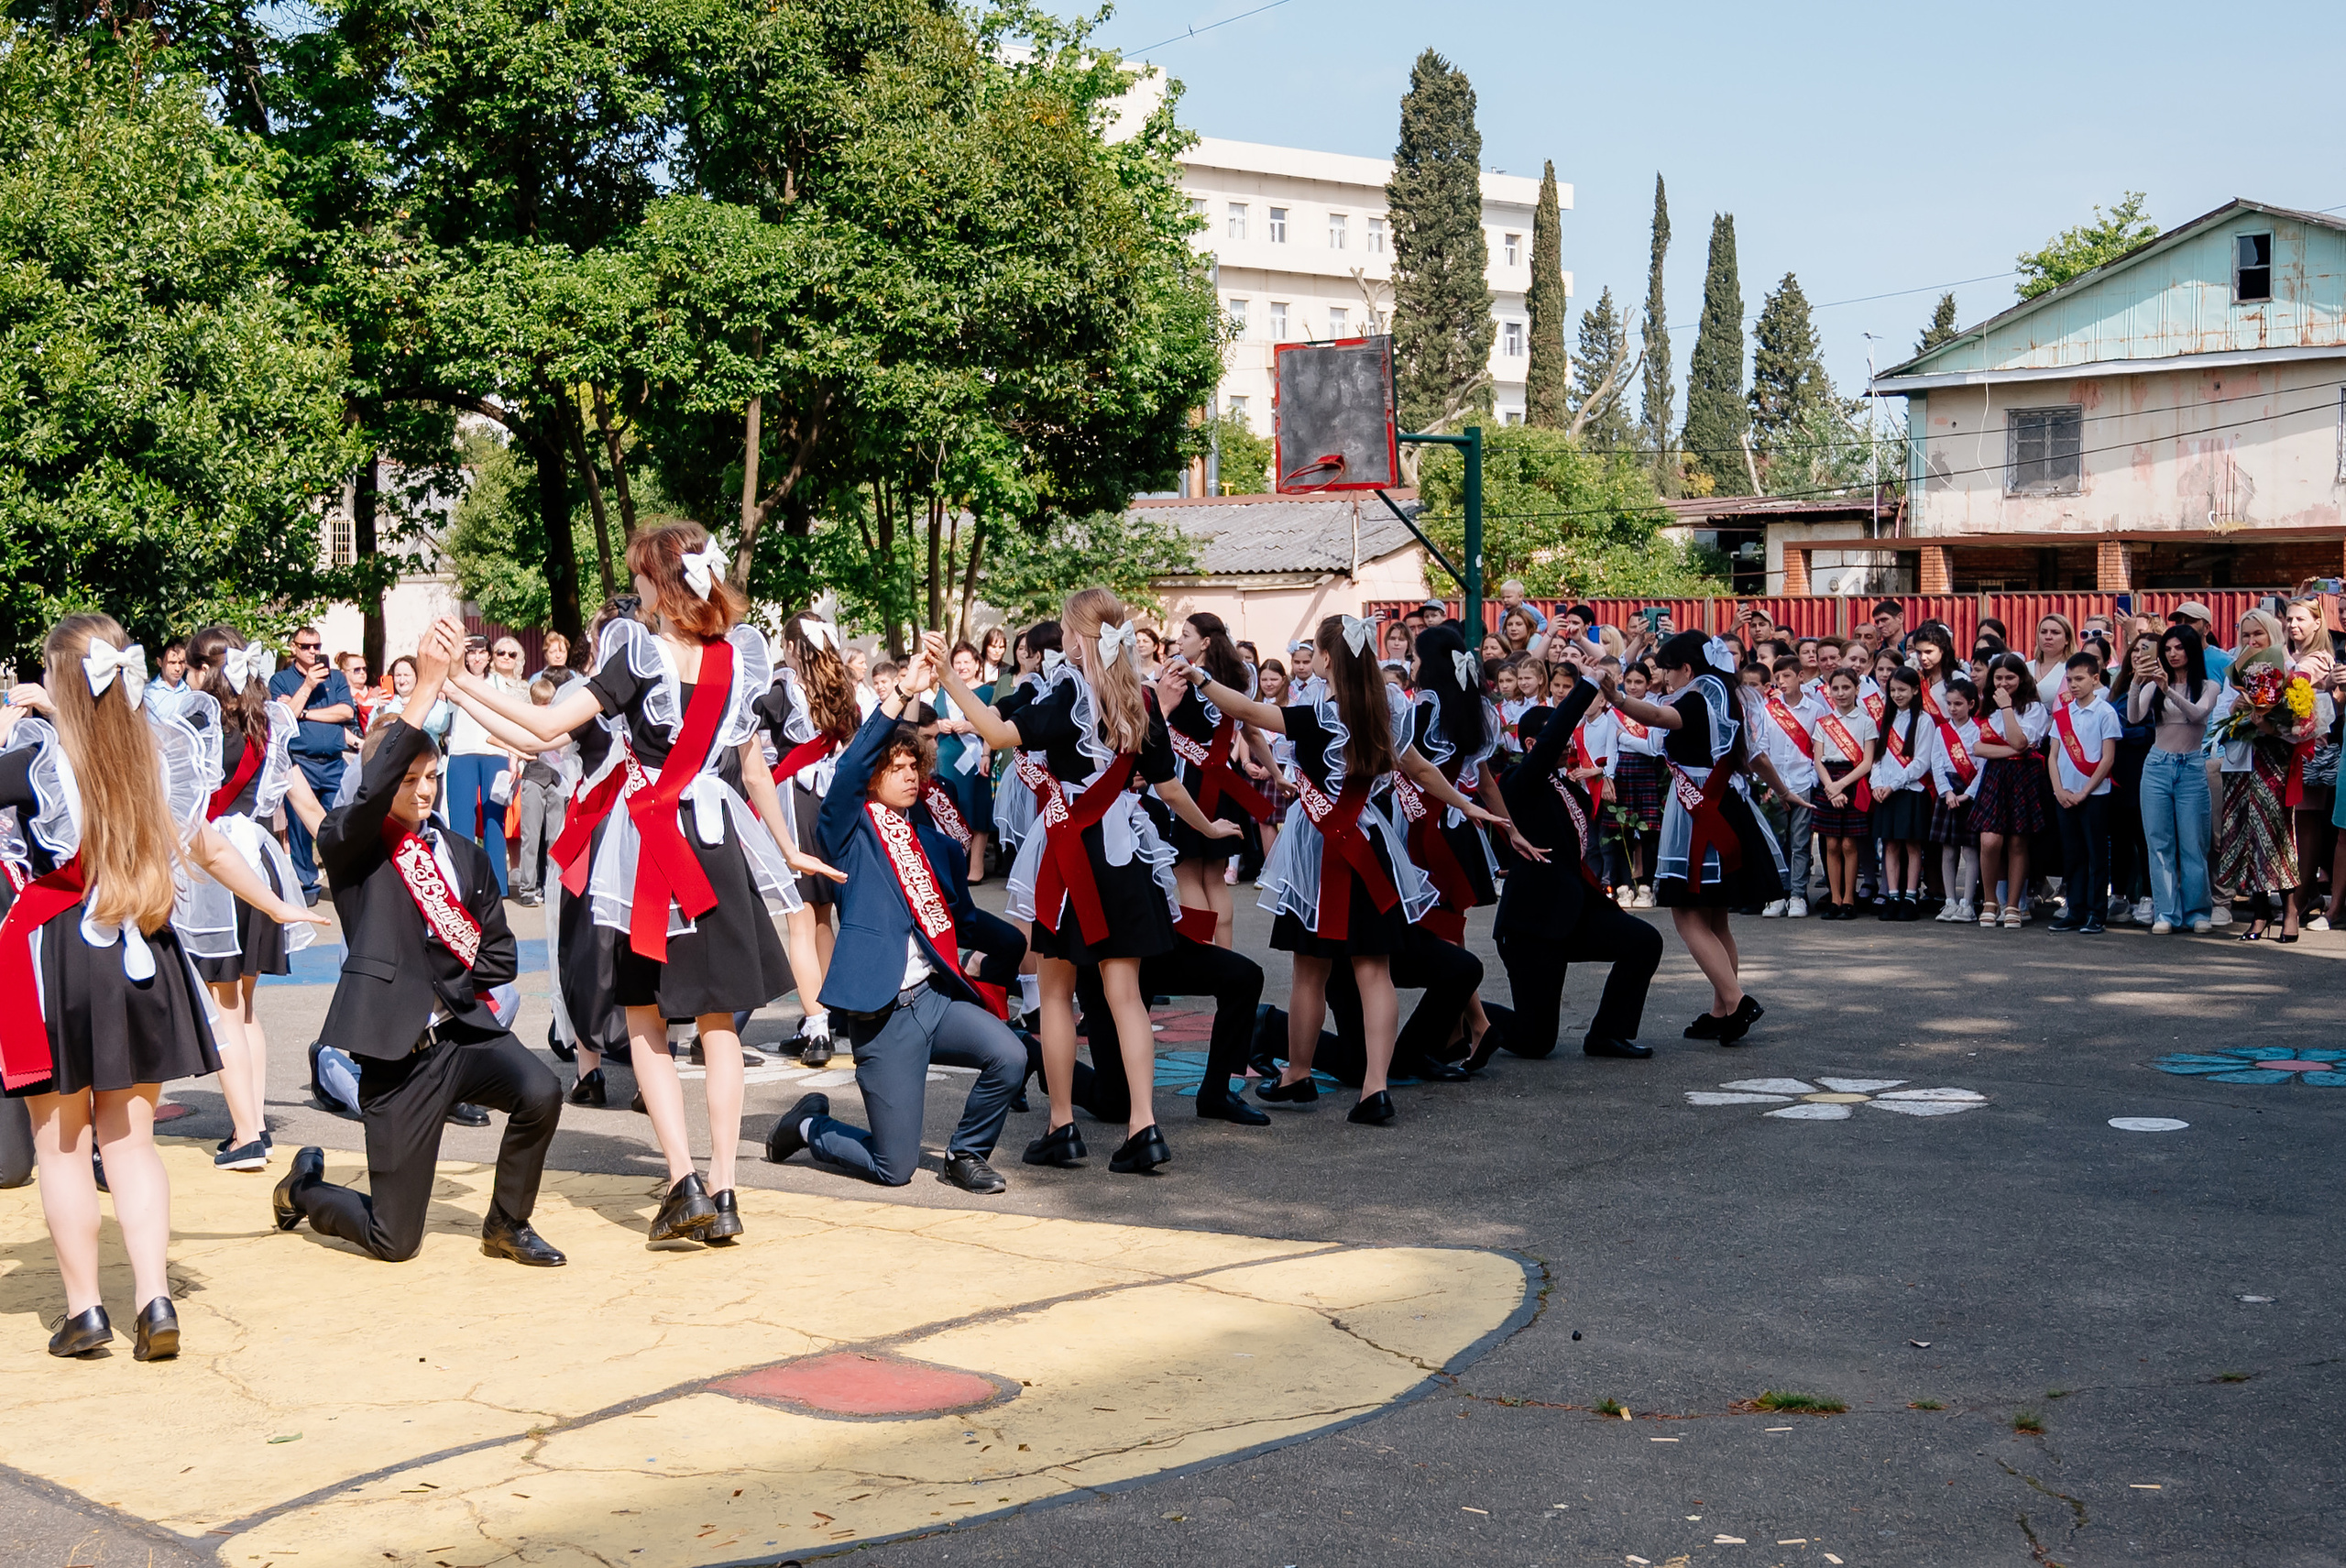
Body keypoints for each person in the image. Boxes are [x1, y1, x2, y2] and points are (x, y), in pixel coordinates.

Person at [449, 524, 843, 1242]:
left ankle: (683, 1180)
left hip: (654, 851)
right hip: (720, 844)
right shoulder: (741, 655)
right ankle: (725, 1189)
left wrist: (455, 682)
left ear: (661, 583)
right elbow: (752, 769)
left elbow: (542, 729)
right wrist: (787, 848)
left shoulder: (639, 650)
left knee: (645, 1018)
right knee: (720, 1021)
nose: (635, 589)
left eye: (640, 576)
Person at [2, 616, 325, 1360]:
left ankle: (85, 1311)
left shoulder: (36, 758)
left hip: (56, 954)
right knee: (133, 1141)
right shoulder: (157, 752)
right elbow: (205, 841)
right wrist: (275, 903)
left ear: (59, 685)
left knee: (61, 1147)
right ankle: (155, 1299)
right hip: (142, 946)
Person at [270, 623, 567, 1267]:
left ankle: (507, 1223)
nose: (426, 789)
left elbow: (500, 956)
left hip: (461, 1034)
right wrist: (426, 688)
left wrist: (442, 967)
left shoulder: (462, 855)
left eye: (433, 775)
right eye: (411, 778)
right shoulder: (354, 849)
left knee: (541, 1090)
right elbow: (372, 783)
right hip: (396, 1057)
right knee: (394, 1239)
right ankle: (305, 1189)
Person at [937, 593, 1236, 1172]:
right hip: (1127, 857)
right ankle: (1144, 1127)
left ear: (1079, 637)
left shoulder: (1070, 693)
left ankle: (1061, 1126)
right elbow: (1169, 787)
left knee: (1054, 991)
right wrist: (1211, 827)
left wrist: (950, 677)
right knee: (1127, 998)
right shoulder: (1142, 698)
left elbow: (998, 736)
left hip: (1074, 857)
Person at [1176, 614, 1509, 1124]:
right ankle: (1374, 1089)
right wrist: (1466, 807)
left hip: (1320, 853)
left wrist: (1198, 677)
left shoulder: (1317, 716)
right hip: (1371, 844)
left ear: (1327, 660)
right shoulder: (1383, 712)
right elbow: (1419, 768)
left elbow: (1243, 708)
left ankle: (1298, 1075)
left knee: (1309, 971)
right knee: (1374, 970)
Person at [765, 649, 1027, 1192]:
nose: (909, 777)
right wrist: (903, 693)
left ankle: (966, 1154)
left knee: (1010, 1054)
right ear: (873, 778)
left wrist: (999, 948)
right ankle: (811, 1124)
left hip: (933, 999)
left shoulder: (932, 837)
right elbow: (851, 765)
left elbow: (958, 916)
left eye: (914, 768)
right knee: (896, 1169)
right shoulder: (849, 827)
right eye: (896, 769)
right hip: (882, 1015)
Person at [176, 626, 331, 1170]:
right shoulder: (268, 720)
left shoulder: (196, 726)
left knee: (222, 1007)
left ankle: (245, 1135)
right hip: (260, 859)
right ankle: (256, 1124)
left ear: (201, 668)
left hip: (216, 862)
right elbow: (302, 801)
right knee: (243, 1005)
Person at [1597, 633, 1794, 1042]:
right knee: (1715, 916)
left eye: (1666, 669)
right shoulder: (1728, 696)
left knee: (1687, 914)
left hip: (1699, 813)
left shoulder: (1696, 697)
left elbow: (1656, 718)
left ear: (1686, 668)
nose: (1663, 677)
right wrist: (1783, 789)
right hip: (1727, 807)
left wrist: (1616, 698)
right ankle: (1722, 1009)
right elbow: (1753, 755)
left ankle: (1737, 1001)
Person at [1491, 648, 1662, 1060]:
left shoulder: (1565, 786)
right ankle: (1465, 1010)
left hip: (1574, 909)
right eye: (1557, 736)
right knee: (1536, 1041)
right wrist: (1585, 687)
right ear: (1533, 743)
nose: (1568, 741)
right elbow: (1550, 743)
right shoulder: (1516, 781)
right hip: (1531, 926)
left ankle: (1608, 1035)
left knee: (1644, 941)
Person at [762, 615, 869, 1065]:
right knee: (823, 918)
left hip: (794, 803)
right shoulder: (843, 688)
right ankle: (821, 1018)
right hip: (831, 804)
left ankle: (818, 1025)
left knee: (799, 922)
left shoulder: (782, 688)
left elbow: (759, 753)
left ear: (790, 647)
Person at [1155, 613, 1275, 948]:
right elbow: (1251, 730)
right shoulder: (1236, 679)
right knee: (1215, 877)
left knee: (1188, 873)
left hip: (1189, 780)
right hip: (1224, 781)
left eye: (1186, 634)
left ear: (1205, 641)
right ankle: (1226, 954)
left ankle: (1202, 957)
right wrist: (1276, 773)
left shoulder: (1179, 676)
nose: (1180, 641)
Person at [2213, 610, 2312, 940]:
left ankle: (2291, 910)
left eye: (2258, 635)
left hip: (2274, 763)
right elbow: (2217, 720)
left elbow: (2300, 725)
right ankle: (2259, 912)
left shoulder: (2289, 672)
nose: (2252, 641)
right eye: (2246, 635)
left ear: (2272, 636)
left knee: (2273, 835)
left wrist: (2268, 723)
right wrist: (2236, 708)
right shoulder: (2235, 673)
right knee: (2243, 835)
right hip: (2239, 765)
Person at [2132, 624, 2219, 933]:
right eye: (2167, 649)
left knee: (2193, 842)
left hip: (2192, 765)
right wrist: (2137, 681)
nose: (2172, 654)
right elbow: (2133, 716)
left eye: (2179, 648)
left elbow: (2198, 715)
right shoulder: (2153, 685)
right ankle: (2166, 912)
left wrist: (2167, 689)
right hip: (2157, 765)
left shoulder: (2208, 686)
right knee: (2158, 841)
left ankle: (2197, 911)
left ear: (2191, 650)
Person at [268, 624, 356, 904]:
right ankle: (307, 885)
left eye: (316, 646)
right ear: (293, 648)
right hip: (300, 762)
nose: (312, 652)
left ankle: (346, 879)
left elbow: (345, 712)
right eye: (305, 647)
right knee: (299, 829)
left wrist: (304, 711)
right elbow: (284, 717)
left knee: (342, 822)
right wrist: (306, 687)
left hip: (333, 762)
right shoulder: (280, 680)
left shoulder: (337, 677)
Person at [1971, 652, 2051, 927]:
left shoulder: (2034, 709)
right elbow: (1978, 747)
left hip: (2022, 777)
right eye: (1998, 678)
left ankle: (2013, 904)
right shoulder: (1985, 707)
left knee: (2018, 841)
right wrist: (2011, 750)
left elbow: (2021, 740)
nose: (2003, 683)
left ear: (2022, 678)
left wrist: (2006, 708)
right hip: (1995, 775)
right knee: (1990, 840)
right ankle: (1990, 899)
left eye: (2010, 678)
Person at [2045, 652, 2121, 933]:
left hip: (2095, 796)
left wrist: (2084, 792)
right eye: (2069, 680)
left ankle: (2096, 913)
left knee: (2096, 856)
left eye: (2079, 679)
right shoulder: (2063, 714)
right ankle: (2075, 910)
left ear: (2095, 679)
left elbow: (2108, 758)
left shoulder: (2105, 712)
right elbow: (2052, 756)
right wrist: (2059, 790)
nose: (2074, 685)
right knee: (2072, 855)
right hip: (2064, 795)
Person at [441, 638, 518, 897]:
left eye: (480, 653)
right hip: (461, 753)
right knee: (462, 822)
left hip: (494, 753)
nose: (476, 658)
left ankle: (497, 885)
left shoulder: (498, 684)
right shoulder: (453, 680)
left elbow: (508, 720)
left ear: (488, 656)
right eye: (470, 653)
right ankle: (463, 884)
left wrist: (514, 757)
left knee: (494, 821)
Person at [2283, 598, 2340, 927]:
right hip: (2292, 748)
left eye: (2301, 619)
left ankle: (2303, 896)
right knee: (2298, 824)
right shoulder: (2296, 655)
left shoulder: (2318, 658)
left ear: (2317, 623)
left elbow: (2292, 683)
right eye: (2289, 619)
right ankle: (2305, 893)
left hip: (2313, 752)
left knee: (2306, 824)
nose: (2293, 625)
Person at [1754, 656, 1821, 917]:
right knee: (1776, 842)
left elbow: (1819, 749)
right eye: (1778, 677)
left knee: (1800, 843)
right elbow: (1763, 748)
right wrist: (1769, 784)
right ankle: (1777, 894)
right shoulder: (1768, 709)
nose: (1781, 682)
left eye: (1787, 676)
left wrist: (1813, 779)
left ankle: (1798, 894)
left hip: (1803, 782)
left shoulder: (1815, 710)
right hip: (1774, 784)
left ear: (1801, 677)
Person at [1808, 668, 1877, 920]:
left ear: (1857, 689)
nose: (1841, 693)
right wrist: (1830, 787)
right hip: (1829, 779)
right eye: (1835, 688)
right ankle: (1834, 898)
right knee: (1832, 843)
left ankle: (1850, 898)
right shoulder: (1824, 723)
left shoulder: (1867, 722)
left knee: (1849, 843)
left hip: (1853, 780)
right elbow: (1817, 760)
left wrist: (1840, 786)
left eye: (1846, 688)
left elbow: (1867, 761)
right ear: (1829, 691)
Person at [931, 641, 999, 887]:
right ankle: (954, 863)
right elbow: (931, 721)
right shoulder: (943, 692)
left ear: (977, 664)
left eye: (966, 662)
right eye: (956, 662)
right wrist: (940, 725)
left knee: (976, 807)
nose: (961, 667)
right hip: (947, 756)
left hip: (976, 758)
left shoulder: (987, 692)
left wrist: (970, 726)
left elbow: (996, 726)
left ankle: (976, 865)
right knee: (950, 808)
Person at [1869, 667, 1934, 920]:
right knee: (1890, 844)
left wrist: (1893, 784)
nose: (1897, 694)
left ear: (1915, 690)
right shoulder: (1886, 719)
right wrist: (1877, 783)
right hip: (1885, 791)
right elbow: (1877, 758)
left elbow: (1921, 762)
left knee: (1912, 844)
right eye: (1893, 690)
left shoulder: (1924, 721)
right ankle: (1893, 895)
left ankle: (1910, 896)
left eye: (1902, 690)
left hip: (1910, 790)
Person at [1608, 661, 1669, 909]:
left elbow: (1654, 748)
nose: (1633, 687)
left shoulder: (1656, 708)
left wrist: (1625, 738)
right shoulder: (1614, 709)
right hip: (1622, 771)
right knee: (1620, 830)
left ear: (1648, 683)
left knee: (1648, 831)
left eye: (1639, 682)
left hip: (1648, 772)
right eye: (1629, 682)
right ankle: (1623, 886)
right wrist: (1608, 776)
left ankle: (1645, 886)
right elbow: (1611, 747)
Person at [1927, 677, 1986, 922]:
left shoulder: (1980, 731)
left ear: (1971, 704)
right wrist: (1947, 792)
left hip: (1969, 792)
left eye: (1958, 704)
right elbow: (1936, 763)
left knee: (1971, 851)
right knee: (1948, 849)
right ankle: (1950, 901)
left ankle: (1968, 903)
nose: (1952, 709)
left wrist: (1967, 794)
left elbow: (1983, 767)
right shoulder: (1942, 731)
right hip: (1949, 791)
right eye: (1949, 703)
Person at [510, 677, 568, 907]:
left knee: (554, 838)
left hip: (556, 781)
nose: (545, 707)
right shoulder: (527, 721)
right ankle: (527, 889)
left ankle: (552, 886)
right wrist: (513, 761)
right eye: (540, 703)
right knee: (530, 837)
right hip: (533, 779)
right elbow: (514, 743)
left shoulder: (558, 720)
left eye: (548, 703)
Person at [2028, 614, 2078, 707]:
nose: (2048, 637)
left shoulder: (2072, 669)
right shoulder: (2025, 667)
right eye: (2043, 632)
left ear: (2067, 639)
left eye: (2055, 632)